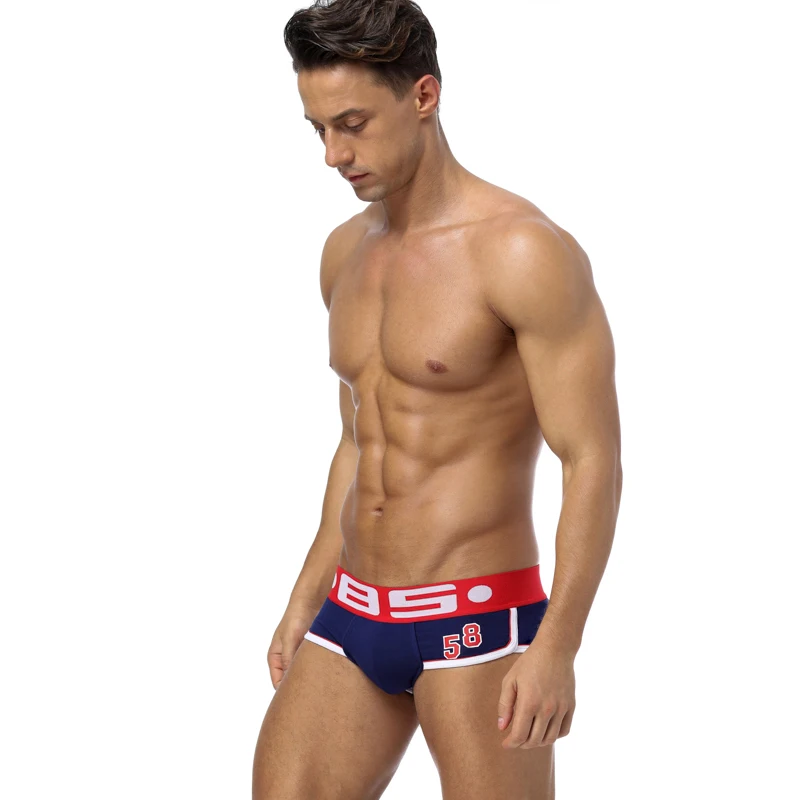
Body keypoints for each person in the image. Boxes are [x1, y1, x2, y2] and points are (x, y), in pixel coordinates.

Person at [253, 1, 622, 797]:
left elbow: (590, 458)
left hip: (479, 621)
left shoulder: (521, 251)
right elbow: (359, 442)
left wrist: (559, 644)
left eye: (352, 124)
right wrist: (306, 594)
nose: (333, 154)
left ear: (424, 95)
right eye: (318, 129)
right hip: (353, 611)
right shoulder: (345, 253)